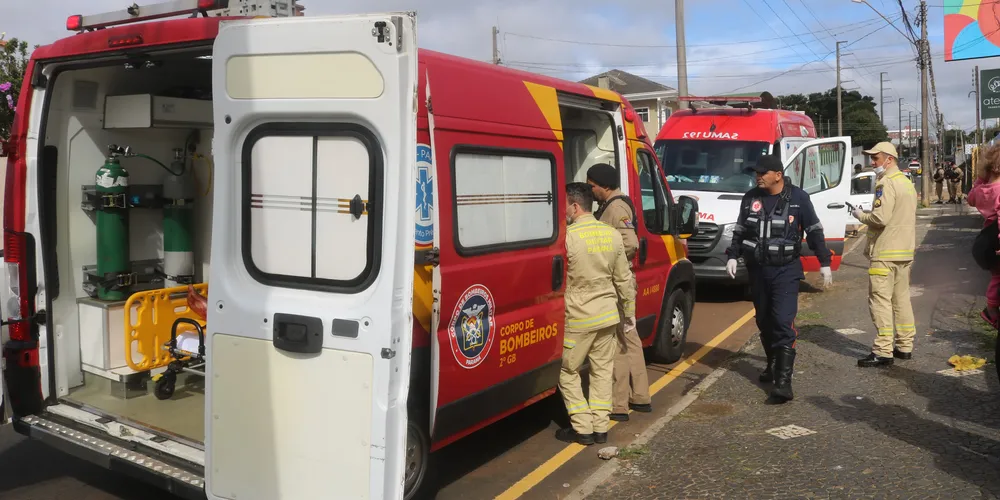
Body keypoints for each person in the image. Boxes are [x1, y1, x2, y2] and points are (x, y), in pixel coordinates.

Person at [724, 155, 832, 404]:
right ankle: (772, 365)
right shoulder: (751, 197)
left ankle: (783, 383)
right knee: (764, 320)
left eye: (762, 173)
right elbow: (741, 229)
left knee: (783, 322)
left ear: (778, 175)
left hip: (785, 270)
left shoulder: (798, 198)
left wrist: (824, 261)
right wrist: (733, 255)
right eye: (756, 173)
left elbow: (814, 230)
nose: (758, 176)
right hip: (758, 270)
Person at [557, 182, 636, 445]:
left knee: (568, 371)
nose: (563, 211)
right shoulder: (612, 234)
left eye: (565, 206)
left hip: (578, 316)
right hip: (608, 315)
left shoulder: (567, 237)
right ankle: (601, 427)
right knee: (602, 371)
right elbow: (624, 278)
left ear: (575, 206)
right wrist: (629, 312)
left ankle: (583, 428)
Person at [585, 163, 651, 422]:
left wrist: (604, 261)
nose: (591, 191)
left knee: (618, 345)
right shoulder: (614, 206)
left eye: (592, 186)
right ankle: (641, 396)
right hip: (620, 283)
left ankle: (619, 404)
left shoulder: (616, 207)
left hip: (615, 284)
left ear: (604, 186)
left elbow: (630, 244)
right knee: (630, 339)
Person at [851, 142, 917, 367]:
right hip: (904, 252)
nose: (873, 162)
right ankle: (905, 346)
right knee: (902, 300)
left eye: (876, 158)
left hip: (885, 251)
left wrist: (860, 215)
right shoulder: (906, 183)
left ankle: (883, 351)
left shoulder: (885, 183)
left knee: (880, 301)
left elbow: (880, 219)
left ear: (889, 159)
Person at [967, 145, 1000, 327]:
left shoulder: (981, 190)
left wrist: (980, 179)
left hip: (986, 238)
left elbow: (970, 199)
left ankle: (992, 309)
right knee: (998, 277)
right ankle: (992, 309)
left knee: (996, 276)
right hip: (997, 239)